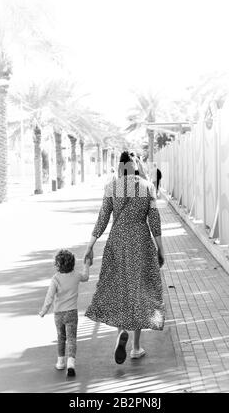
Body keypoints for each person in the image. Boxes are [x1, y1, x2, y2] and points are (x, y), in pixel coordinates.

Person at [84, 151, 165, 365]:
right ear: (136, 165)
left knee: (120, 289)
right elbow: (154, 220)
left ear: (120, 167)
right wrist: (160, 248)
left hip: (117, 241)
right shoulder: (148, 187)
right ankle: (136, 347)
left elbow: (102, 218)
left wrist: (90, 245)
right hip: (140, 240)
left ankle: (121, 333)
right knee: (138, 291)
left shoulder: (112, 187)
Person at [39, 249, 90, 376]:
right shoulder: (76, 275)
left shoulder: (55, 279)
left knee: (61, 338)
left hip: (59, 314)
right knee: (72, 339)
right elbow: (86, 277)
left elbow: (49, 297)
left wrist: (44, 311)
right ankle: (71, 363)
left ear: (58, 265)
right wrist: (86, 264)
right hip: (72, 313)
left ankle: (60, 362)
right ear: (72, 264)